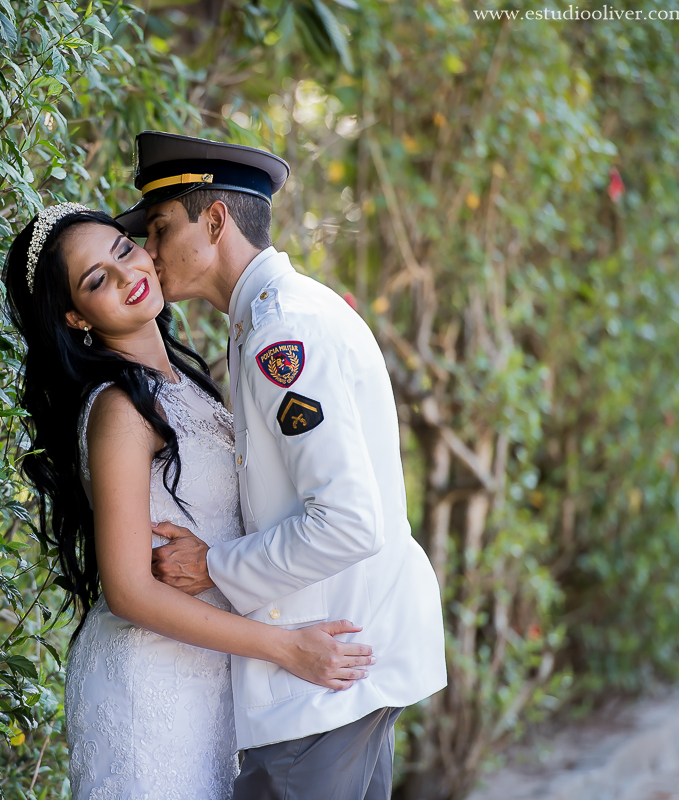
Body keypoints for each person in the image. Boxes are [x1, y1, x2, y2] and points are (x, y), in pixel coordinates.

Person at [2, 202, 376, 799]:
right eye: (96, 279)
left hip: (211, 671)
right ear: (75, 317)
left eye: (123, 250)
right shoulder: (118, 408)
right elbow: (127, 590)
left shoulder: (188, 385)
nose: (127, 275)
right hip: (149, 684)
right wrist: (284, 647)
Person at [115, 131, 448, 800]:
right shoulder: (267, 321)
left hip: (321, 676)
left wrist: (212, 566)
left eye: (158, 228)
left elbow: (350, 522)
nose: (149, 253)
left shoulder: (280, 332)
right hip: (335, 669)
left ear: (214, 222)